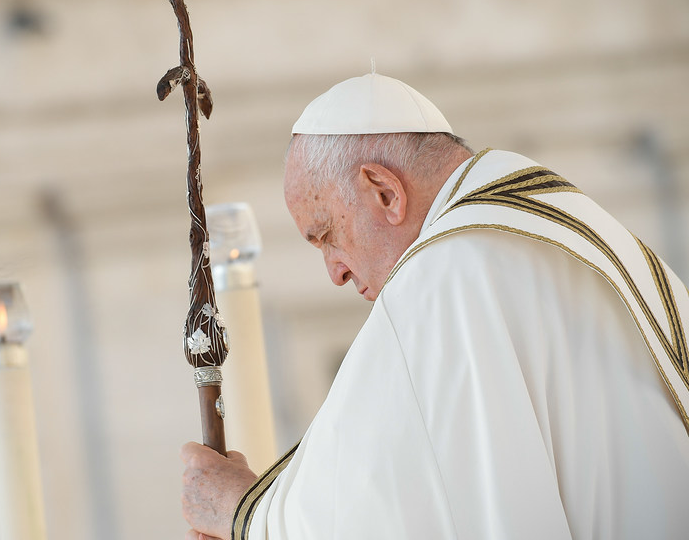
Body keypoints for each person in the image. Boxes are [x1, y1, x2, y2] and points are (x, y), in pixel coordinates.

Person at [180, 72, 689, 539]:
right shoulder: (571, 223)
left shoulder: (447, 273)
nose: (335, 272)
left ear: (384, 192)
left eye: (328, 235)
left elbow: (381, 508)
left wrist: (243, 511)